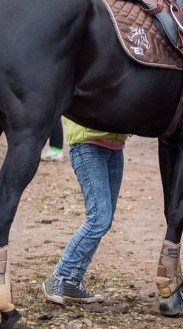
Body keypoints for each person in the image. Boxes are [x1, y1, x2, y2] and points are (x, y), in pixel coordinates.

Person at [43, 120, 128, 305]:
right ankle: (59, 276)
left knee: (104, 221)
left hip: (116, 148)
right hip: (87, 145)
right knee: (98, 219)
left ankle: (73, 281)